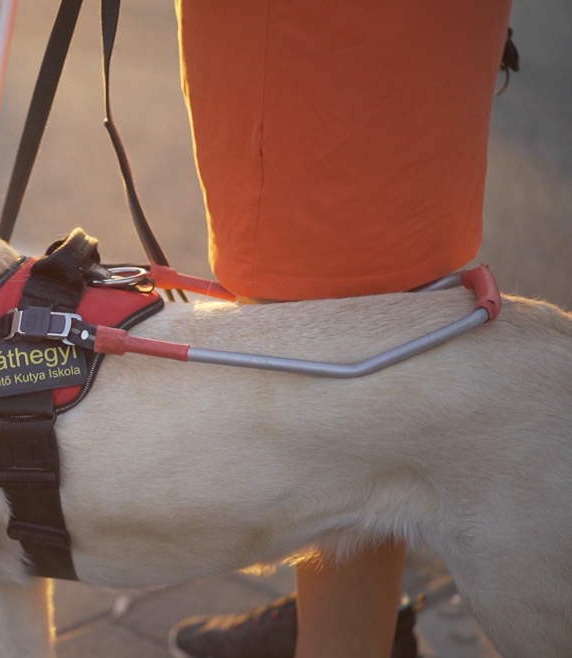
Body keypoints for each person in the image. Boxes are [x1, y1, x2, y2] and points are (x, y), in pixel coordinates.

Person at [168, 1, 513, 656]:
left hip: (314, 43)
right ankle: (348, 614)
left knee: (330, 340)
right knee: (386, 317)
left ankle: (344, 635)